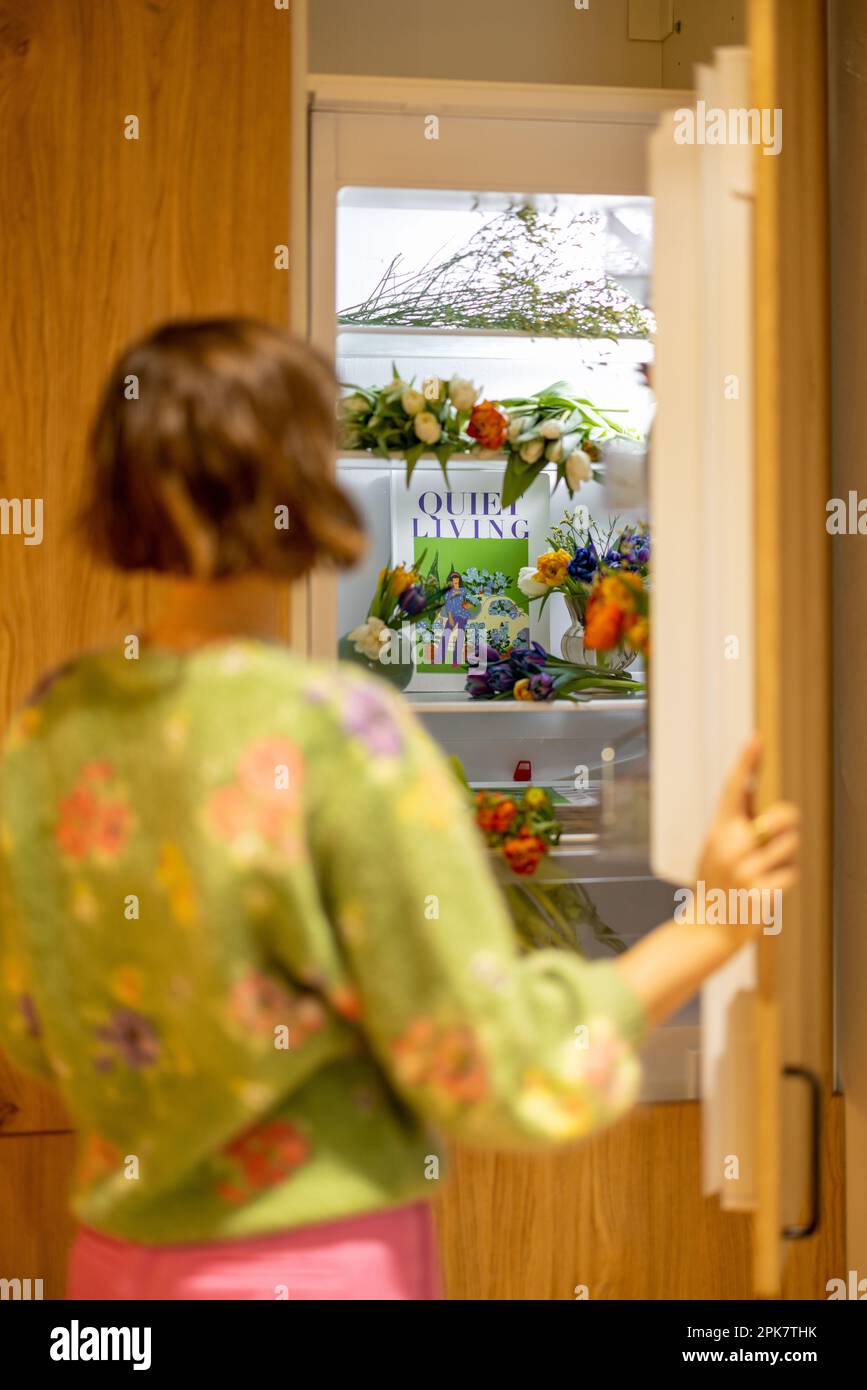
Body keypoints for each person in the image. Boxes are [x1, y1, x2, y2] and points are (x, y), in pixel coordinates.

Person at [0, 319, 799, 1301]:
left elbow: (33, 1023)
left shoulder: (53, 719)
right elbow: (481, 1061)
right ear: (304, 477)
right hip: (310, 1269)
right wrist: (711, 925)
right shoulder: (338, 736)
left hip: (110, 1274)